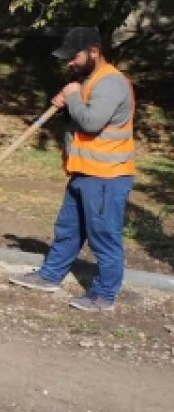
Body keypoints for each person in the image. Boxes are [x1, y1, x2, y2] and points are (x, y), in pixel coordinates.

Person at [9, 26, 136, 312]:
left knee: (103, 236)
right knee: (68, 229)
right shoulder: (89, 80)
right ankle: (50, 276)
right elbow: (84, 121)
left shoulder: (112, 83)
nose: (69, 63)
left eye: (73, 57)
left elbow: (92, 122)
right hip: (83, 171)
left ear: (93, 51)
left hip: (106, 176)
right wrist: (68, 105)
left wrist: (74, 95)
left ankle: (104, 295)